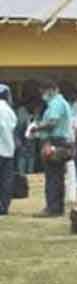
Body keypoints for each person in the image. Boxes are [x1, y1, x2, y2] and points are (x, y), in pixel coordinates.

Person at [32, 79, 74, 217]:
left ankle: (52, 207)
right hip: (60, 141)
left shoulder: (56, 103)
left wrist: (36, 127)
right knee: (57, 176)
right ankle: (57, 207)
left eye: (44, 91)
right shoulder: (61, 103)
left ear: (52, 89)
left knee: (52, 176)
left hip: (55, 141)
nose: (43, 95)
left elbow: (52, 122)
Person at [0, 85, 16, 215]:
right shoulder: (9, 110)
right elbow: (13, 126)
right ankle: (4, 207)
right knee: (6, 180)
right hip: (8, 150)